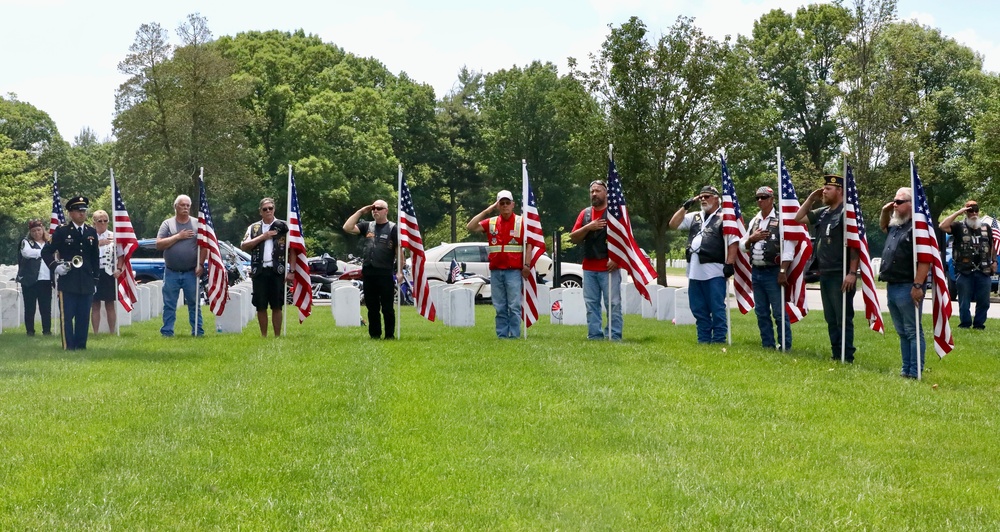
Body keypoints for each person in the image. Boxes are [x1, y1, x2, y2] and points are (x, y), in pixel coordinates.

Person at [794, 175, 860, 363]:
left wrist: (852, 272)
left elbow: (855, 246)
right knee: (830, 317)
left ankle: (846, 356)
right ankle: (835, 353)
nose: (824, 191)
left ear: (839, 190)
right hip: (825, 272)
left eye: (828, 188)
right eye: (823, 188)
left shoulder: (846, 213)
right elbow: (799, 218)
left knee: (843, 317)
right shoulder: (823, 212)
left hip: (841, 273)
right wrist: (810, 199)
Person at [668, 185, 739, 344]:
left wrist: (730, 264)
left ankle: (719, 339)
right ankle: (703, 339)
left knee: (716, 308)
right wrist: (686, 206)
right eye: (701, 197)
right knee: (698, 309)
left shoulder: (724, 217)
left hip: (714, 271)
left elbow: (733, 243)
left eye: (707, 196)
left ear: (716, 198)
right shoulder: (695, 216)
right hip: (694, 271)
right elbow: (673, 224)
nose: (703, 200)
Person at [878, 188, 931, 378]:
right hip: (893, 285)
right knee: (902, 332)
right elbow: (883, 225)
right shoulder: (896, 226)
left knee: (913, 331)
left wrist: (917, 285)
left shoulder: (917, 228)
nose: (895, 205)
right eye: (894, 201)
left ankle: (915, 370)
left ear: (911, 204)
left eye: (899, 202)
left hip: (908, 285)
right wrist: (886, 209)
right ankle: (906, 369)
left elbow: (925, 259)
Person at [467, 190, 530, 339]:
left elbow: (529, 245)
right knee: (500, 306)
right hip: (496, 271)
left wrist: (527, 265)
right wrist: (488, 210)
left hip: (514, 271)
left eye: (508, 203)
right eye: (502, 203)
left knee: (514, 306)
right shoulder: (492, 222)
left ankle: (514, 335)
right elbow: (470, 226)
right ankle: (502, 335)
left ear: (513, 204)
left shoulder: (522, 222)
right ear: (498, 205)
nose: (505, 206)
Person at [41, 196, 101, 350]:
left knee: (83, 316)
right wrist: (55, 266)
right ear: (70, 213)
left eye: (84, 210)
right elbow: (46, 252)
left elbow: (95, 258)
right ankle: (68, 346)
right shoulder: (62, 231)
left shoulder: (91, 232)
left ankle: (81, 347)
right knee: (67, 316)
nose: (82, 213)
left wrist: (95, 280)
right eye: (78, 210)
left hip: (86, 280)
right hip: (68, 280)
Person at [739, 186, 794, 350]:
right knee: (761, 312)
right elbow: (743, 246)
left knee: (778, 312)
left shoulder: (781, 220)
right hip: (756, 271)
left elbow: (789, 248)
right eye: (757, 198)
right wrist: (752, 238)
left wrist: (783, 271)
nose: (760, 201)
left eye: (763, 197)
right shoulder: (755, 221)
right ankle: (767, 344)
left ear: (772, 199)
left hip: (774, 271)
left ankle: (784, 345)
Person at [570, 180, 624, 341]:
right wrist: (589, 227)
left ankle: (614, 335)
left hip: (609, 267)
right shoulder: (585, 214)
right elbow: (573, 238)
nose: (594, 194)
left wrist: (617, 260)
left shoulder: (615, 213)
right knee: (591, 304)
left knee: (613, 304)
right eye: (592, 191)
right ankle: (594, 335)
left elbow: (624, 239)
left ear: (606, 193)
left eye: (598, 191)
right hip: (589, 267)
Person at [343, 199, 399, 340]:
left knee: (387, 307)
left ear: (386, 211)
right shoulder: (367, 226)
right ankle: (374, 335)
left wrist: (399, 270)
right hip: (369, 272)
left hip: (385, 272)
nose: (375, 210)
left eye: (379, 208)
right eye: (374, 208)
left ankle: (389, 335)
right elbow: (347, 227)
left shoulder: (393, 228)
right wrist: (361, 211)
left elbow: (399, 250)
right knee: (372, 307)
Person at [242, 197, 295, 337]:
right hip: (259, 270)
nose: (268, 211)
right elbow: (244, 245)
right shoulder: (254, 228)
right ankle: (264, 335)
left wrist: (292, 271)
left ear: (274, 209)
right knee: (261, 305)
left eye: (270, 208)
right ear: (260, 211)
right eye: (265, 209)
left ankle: (277, 336)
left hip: (277, 270)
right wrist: (263, 237)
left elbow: (294, 249)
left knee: (277, 305)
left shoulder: (283, 226)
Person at [941, 199, 997, 330]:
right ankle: (965, 324)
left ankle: (979, 325)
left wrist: (994, 261)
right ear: (966, 212)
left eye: (976, 210)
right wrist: (959, 212)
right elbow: (942, 226)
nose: (974, 213)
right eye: (971, 210)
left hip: (984, 270)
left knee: (984, 301)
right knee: (964, 301)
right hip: (965, 270)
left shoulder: (985, 227)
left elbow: (992, 245)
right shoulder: (958, 227)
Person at [156, 194, 207, 337]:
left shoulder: (198, 224)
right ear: (175, 207)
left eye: (188, 206)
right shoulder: (168, 224)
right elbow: (159, 244)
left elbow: (205, 247)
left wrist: (201, 264)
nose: (185, 208)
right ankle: (167, 332)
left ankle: (198, 331)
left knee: (194, 304)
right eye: (182, 205)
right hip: (172, 271)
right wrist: (178, 236)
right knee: (169, 304)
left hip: (191, 271)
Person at [16, 219, 53, 336]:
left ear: (42, 230)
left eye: (38, 230)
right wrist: (44, 252)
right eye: (33, 231)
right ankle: (30, 331)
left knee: (46, 308)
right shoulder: (26, 242)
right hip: (30, 279)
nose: (37, 233)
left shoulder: (49, 242)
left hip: (45, 279)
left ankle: (47, 330)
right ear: (30, 232)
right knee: (30, 307)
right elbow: (27, 253)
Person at [90, 209, 119, 334]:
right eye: (99, 221)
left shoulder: (113, 236)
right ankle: (95, 332)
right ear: (94, 222)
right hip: (94, 272)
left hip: (108, 272)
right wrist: (98, 243)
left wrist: (119, 268)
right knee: (95, 304)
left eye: (105, 221)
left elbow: (121, 254)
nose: (102, 223)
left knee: (109, 304)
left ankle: (112, 331)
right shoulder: (89, 236)